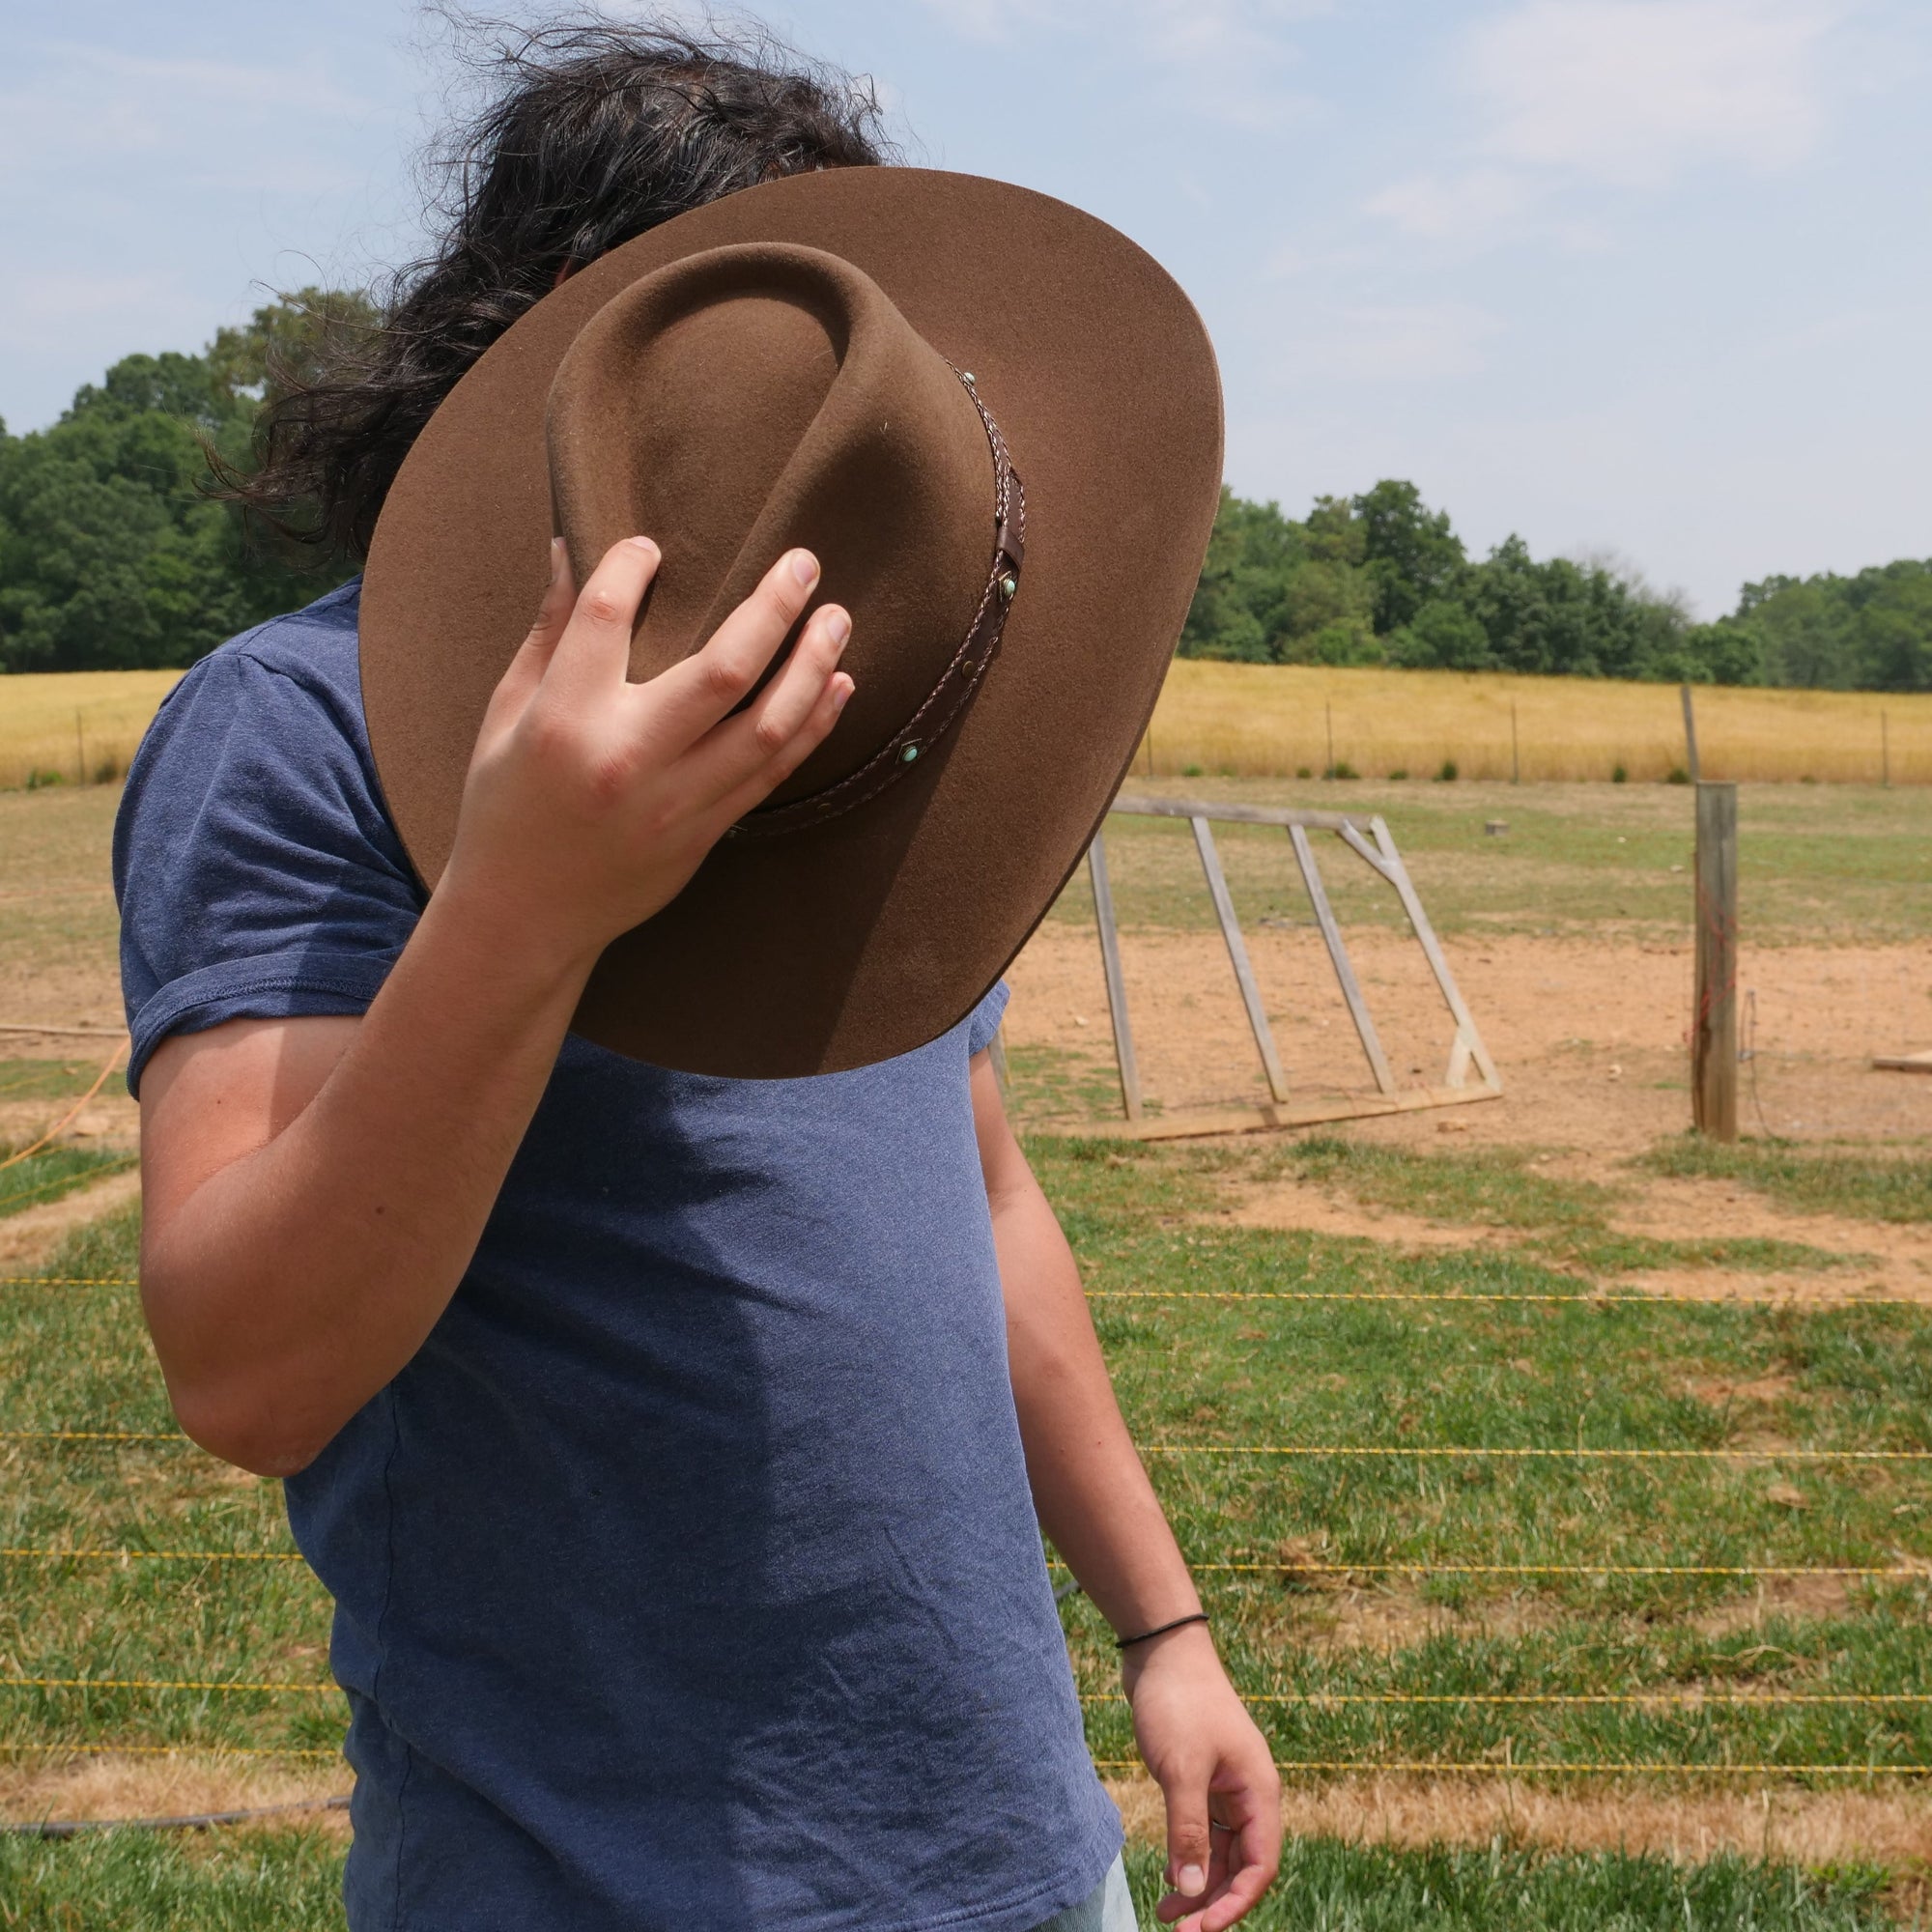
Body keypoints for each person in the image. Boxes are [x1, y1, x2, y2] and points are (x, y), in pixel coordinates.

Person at [116, 20, 1280, 1931]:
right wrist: (526, 897)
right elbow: (247, 1371)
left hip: (1017, 1860)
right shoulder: (301, 728)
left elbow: (975, 1186)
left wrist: (1162, 1628)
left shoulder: (886, 733)